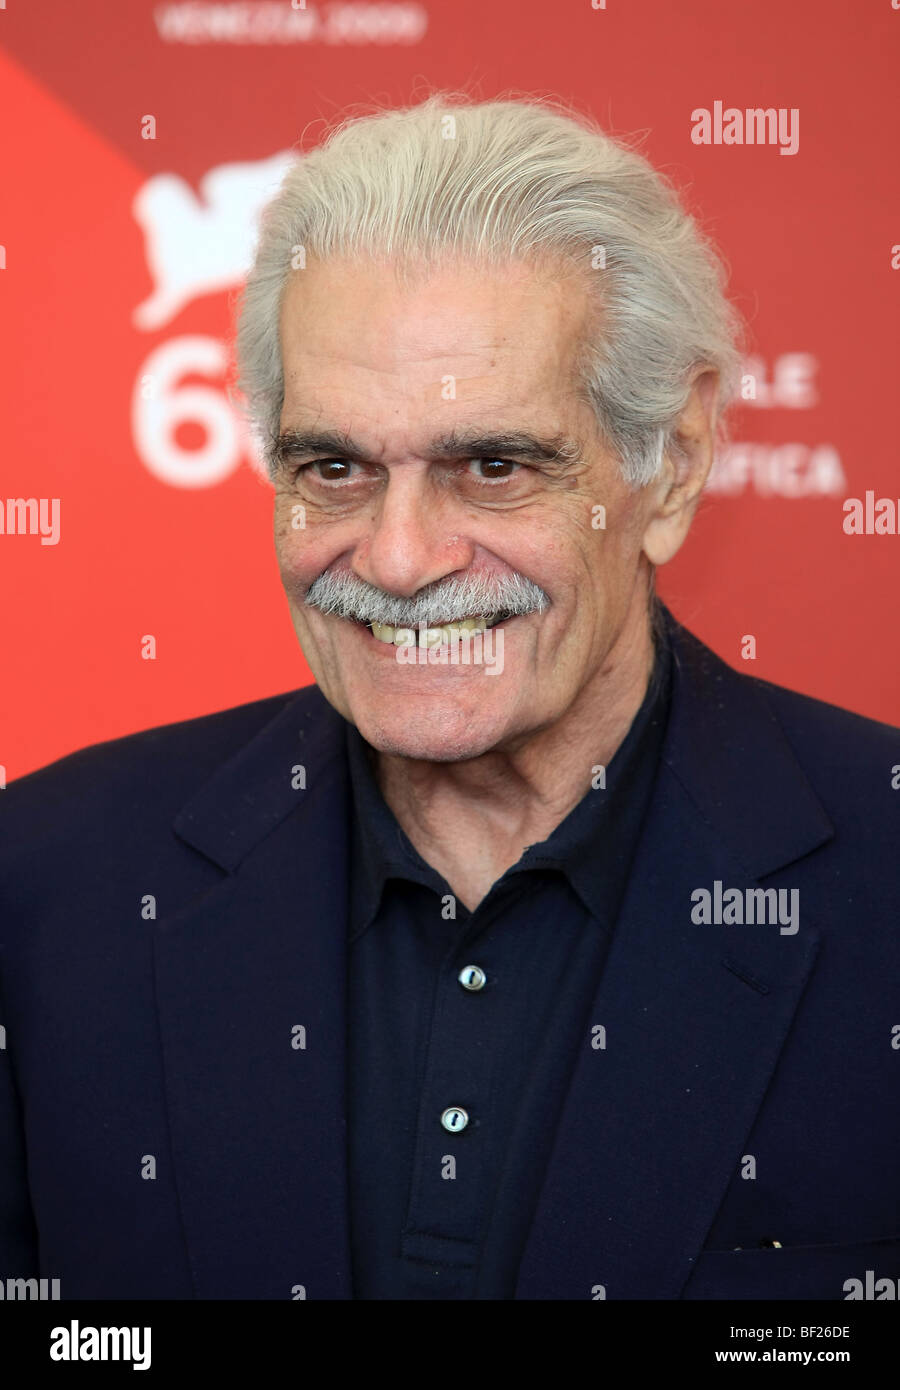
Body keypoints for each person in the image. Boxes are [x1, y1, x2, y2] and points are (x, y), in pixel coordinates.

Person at [1, 95, 898, 1301]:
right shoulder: (51, 881)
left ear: (671, 466)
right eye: (336, 468)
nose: (400, 558)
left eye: (493, 467)